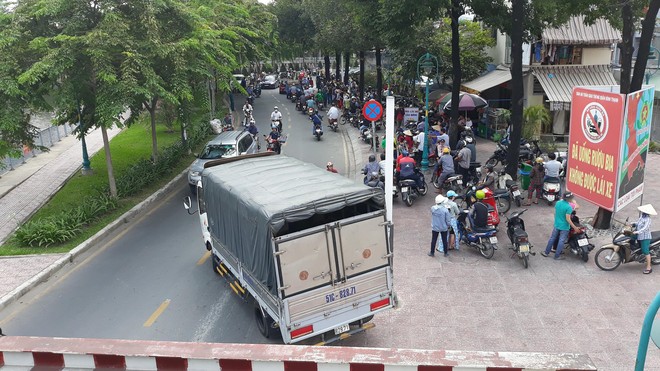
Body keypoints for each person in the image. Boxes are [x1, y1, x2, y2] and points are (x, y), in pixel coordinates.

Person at [541, 192, 581, 260]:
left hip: (557, 224)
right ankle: (557, 256)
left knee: (552, 238)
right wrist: (575, 227)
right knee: (561, 241)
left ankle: (546, 252)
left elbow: (556, 213)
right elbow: (568, 219)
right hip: (564, 227)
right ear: (570, 199)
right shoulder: (569, 207)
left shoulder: (558, 203)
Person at [634, 204, 656, 274]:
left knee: (645, 251)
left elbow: (645, 228)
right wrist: (633, 224)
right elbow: (638, 223)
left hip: (645, 237)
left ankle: (649, 267)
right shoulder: (642, 216)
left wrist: (637, 231)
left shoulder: (648, 219)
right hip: (639, 235)